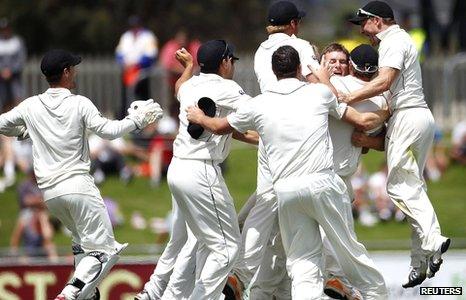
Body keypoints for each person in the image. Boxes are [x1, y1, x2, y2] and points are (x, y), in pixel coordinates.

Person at [187, 45, 389, 300]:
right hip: (323, 183)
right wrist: (387, 110)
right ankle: (377, 295)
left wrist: (198, 116)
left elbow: (217, 127)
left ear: (273, 71)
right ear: (298, 69)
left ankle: (247, 277)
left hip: (286, 192)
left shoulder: (259, 104)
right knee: (350, 252)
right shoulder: (319, 95)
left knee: (303, 262)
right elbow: (358, 119)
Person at [0, 49, 163, 300]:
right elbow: (109, 131)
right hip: (78, 187)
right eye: (73, 68)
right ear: (66, 72)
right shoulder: (79, 103)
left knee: (82, 248)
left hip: (52, 195)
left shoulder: (31, 105)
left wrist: (24, 130)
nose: (75, 71)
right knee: (104, 251)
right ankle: (71, 292)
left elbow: (2, 124)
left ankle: (85, 295)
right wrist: (137, 120)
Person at [136, 41, 257, 300]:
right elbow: (256, 111)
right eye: (232, 61)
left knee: (202, 242)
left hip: (178, 169)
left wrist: (188, 68)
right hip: (201, 171)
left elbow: (179, 88)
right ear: (224, 62)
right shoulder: (227, 87)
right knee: (227, 248)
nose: (233, 65)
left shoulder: (190, 85)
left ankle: (169, 295)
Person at [342, 0, 450, 288]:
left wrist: (344, 99)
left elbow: (384, 81)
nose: (363, 31)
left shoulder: (392, 40)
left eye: (363, 24)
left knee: (398, 186)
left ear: (377, 20)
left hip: (406, 116)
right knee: (413, 187)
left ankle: (433, 240)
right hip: (420, 116)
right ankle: (420, 262)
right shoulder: (398, 40)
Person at [232, 2, 323, 298]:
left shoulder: (261, 51)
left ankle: (240, 273)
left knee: (267, 204)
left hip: (270, 131)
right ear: (294, 24)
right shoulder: (300, 46)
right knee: (307, 209)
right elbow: (315, 82)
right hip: (300, 134)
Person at [115, 15, 158, 119]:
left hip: (142, 71)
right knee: (125, 97)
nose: (134, 28)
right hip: (127, 71)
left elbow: (151, 53)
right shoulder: (126, 36)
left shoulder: (148, 36)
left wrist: (137, 64)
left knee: (143, 97)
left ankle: (145, 119)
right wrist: (124, 63)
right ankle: (124, 117)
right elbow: (119, 52)